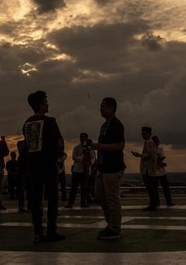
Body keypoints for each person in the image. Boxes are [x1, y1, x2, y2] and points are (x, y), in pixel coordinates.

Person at [23, 90, 66, 243]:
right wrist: (58, 157)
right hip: (48, 165)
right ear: (41, 104)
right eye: (45, 101)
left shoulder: (27, 123)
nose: (47, 104)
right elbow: (59, 143)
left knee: (36, 200)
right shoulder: (50, 122)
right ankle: (51, 231)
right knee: (52, 199)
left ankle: (38, 233)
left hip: (33, 166)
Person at [90, 97, 126, 240]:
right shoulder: (104, 126)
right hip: (103, 167)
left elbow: (120, 145)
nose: (101, 109)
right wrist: (98, 163)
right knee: (99, 196)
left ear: (112, 108)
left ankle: (114, 228)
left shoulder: (116, 124)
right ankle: (110, 223)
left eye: (103, 106)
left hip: (113, 168)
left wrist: (99, 147)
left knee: (112, 199)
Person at [131, 127, 159, 211]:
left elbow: (150, 154)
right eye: (142, 133)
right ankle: (153, 204)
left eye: (144, 133)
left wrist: (139, 155)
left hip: (148, 170)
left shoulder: (149, 142)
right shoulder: (148, 142)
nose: (142, 135)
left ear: (148, 134)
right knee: (151, 188)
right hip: (149, 169)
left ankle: (152, 205)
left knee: (150, 188)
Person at [66, 133, 96, 208]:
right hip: (77, 170)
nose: (82, 139)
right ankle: (70, 203)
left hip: (85, 171)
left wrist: (88, 162)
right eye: (81, 137)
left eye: (83, 137)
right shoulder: (77, 148)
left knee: (84, 188)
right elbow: (74, 157)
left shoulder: (90, 149)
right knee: (73, 188)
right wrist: (83, 159)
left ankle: (83, 203)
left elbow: (93, 159)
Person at [152, 135, 174, 207]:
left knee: (165, 188)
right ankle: (158, 201)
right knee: (155, 188)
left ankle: (168, 201)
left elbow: (162, 157)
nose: (157, 143)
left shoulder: (160, 149)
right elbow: (159, 158)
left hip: (161, 172)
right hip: (155, 172)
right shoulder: (151, 150)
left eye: (157, 141)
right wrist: (160, 162)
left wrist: (158, 161)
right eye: (156, 141)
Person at [16, 139, 31, 212]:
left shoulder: (32, 142)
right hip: (23, 169)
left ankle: (30, 205)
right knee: (21, 189)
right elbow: (20, 149)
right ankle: (21, 206)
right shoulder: (20, 142)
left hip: (30, 168)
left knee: (30, 189)